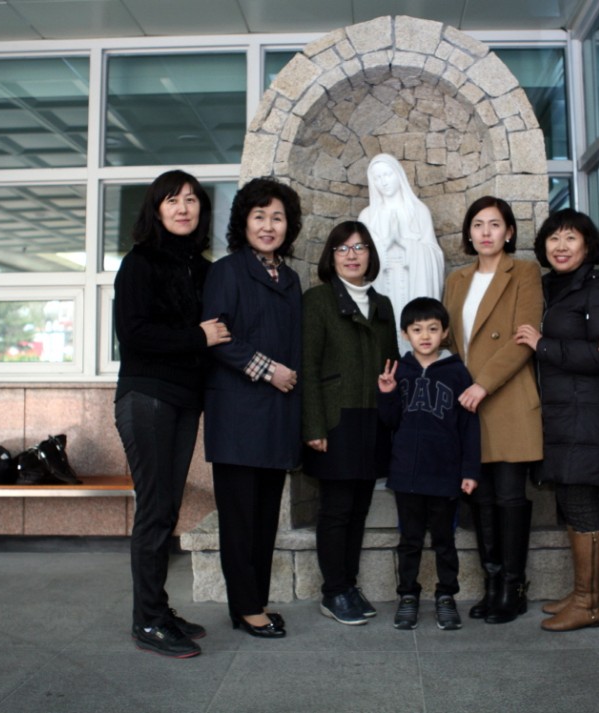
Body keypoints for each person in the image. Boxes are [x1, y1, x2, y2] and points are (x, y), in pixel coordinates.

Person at [113, 170, 231, 658]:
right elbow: (133, 334)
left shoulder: (201, 269)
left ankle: (158, 609)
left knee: (166, 507)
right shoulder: (139, 263)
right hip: (147, 397)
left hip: (183, 400)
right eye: (172, 200)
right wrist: (196, 337)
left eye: (191, 200)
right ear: (156, 209)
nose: (183, 208)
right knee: (155, 510)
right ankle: (147, 621)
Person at [202, 178, 303, 639]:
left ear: (289, 225)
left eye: (277, 217)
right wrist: (269, 370)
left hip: (278, 418)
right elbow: (218, 337)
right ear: (243, 222)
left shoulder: (291, 278)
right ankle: (246, 607)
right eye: (259, 216)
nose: (268, 225)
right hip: (238, 416)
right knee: (240, 520)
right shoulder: (226, 271)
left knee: (263, 519)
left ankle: (253, 603)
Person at [515, 209, 599, 632]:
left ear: (588, 245)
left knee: (580, 502)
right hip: (559, 413)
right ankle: (584, 592)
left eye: (571, 238)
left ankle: (589, 604)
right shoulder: (549, 287)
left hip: (584, 414)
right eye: (554, 238)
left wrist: (544, 345)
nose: (561, 247)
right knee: (569, 501)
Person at [442, 196, 543, 625]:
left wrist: (482, 383)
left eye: (495, 224)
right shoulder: (457, 279)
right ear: (469, 233)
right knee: (480, 498)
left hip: (507, 396)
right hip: (467, 402)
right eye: (478, 224)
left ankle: (513, 588)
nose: (486, 232)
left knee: (508, 495)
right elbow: (449, 342)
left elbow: (524, 338)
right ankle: (492, 582)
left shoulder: (524, 272)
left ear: (509, 232)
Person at [302, 221, 400, 625]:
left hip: (371, 419)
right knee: (337, 509)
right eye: (342, 248)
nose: (352, 255)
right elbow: (308, 367)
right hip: (335, 420)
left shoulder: (382, 305)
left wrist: (391, 403)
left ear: (370, 254)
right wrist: (313, 426)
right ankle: (334, 591)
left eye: (360, 247)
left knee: (359, 508)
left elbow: (392, 363)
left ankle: (348, 584)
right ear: (332, 256)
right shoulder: (318, 300)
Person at [376, 298, 480, 631]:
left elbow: (469, 426)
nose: (425, 336)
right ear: (405, 334)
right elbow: (390, 421)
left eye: (433, 329)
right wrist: (388, 393)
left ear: (445, 332)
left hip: (445, 474)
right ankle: (407, 596)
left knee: (444, 541)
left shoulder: (457, 372)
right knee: (409, 540)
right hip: (406, 474)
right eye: (417, 329)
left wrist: (469, 471)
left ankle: (446, 596)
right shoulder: (400, 371)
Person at [358, 154, 445, 332]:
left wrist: (407, 246)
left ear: (398, 175)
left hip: (413, 283)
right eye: (377, 178)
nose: (383, 182)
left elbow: (434, 253)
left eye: (387, 174)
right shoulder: (367, 216)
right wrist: (385, 246)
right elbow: (361, 257)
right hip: (382, 282)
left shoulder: (418, 211)